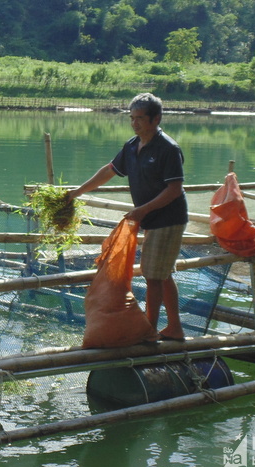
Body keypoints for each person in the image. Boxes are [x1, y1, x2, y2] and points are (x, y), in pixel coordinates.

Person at [68, 93, 188, 341]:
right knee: (162, 273)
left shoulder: (168, 148)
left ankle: (149, 331)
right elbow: (110, 170)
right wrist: (78, 191)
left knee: (153, 275)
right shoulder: (132, 146)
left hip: (168, 218)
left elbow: (174, 189)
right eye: (132, 118)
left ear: (156, 119)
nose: (135, 123)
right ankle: (173, 328)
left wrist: (143, 209)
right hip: (151, 219)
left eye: (140, 119)